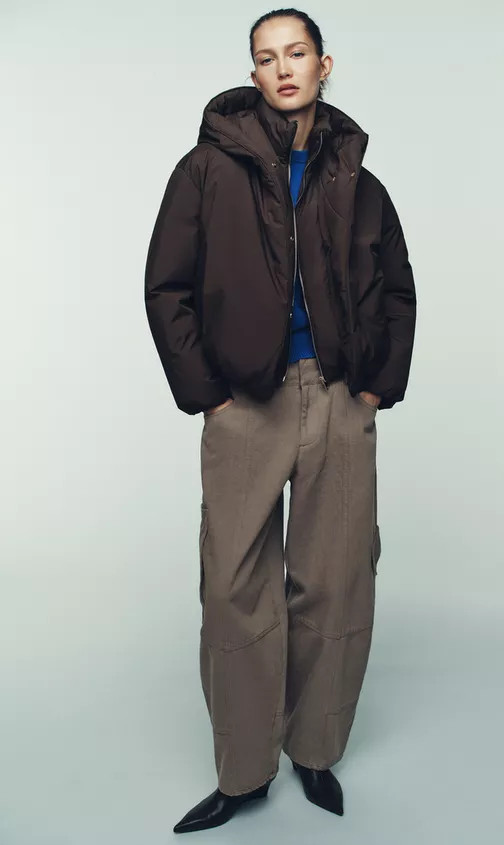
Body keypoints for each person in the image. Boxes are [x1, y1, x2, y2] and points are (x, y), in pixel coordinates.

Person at [144, 7, 416, 834]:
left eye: (296, 53)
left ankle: (315, 749)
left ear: (323, 66)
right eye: (266, 58)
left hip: (337, 395)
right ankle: (242, 771)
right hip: (244, 401)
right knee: (234, 588)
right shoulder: (205, 170)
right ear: (254, 74)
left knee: (335, 579)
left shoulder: (358, 181)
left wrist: (372, 390)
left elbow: (397, 288)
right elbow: (166, 286)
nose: (283, 68)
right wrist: (209, 395)